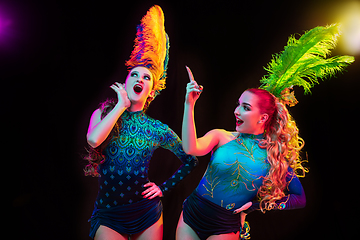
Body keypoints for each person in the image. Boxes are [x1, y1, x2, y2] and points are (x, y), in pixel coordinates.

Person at [176, 23, 355, 240]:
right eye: (238, 104)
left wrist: (257, 206)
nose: (236, 111)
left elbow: (299, 198)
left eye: (245, 107)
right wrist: (189, 104)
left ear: (262, 117)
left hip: (225, 225)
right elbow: (190, 147)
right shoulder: (221, 136)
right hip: (192, 215)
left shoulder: (273, 156)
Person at [84, 6, 198, 240]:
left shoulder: (157, 129)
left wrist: (162, 188)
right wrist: (120, 106)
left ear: (151, 91)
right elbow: (94, 140)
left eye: (146, 77)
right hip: (109, 214)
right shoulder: (104, 113)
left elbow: (191, 159)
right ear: (126, 81)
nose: (140, 79)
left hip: (147, 213)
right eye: (134, 74)